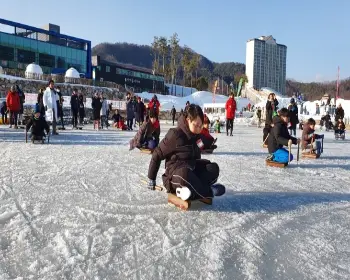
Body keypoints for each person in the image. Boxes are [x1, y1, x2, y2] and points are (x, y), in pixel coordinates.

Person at [147, 104, 225, 201]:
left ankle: (192, 190)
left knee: (213, 168)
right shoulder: (175, 135)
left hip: (193, 169)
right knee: (185, 174)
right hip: (175, 175)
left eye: (201, 126)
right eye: (196, 125)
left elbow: (202, 146)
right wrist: (151, 178)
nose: (199, 128)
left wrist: (210, 145)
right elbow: (157, 154)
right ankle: (209, 191)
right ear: (188, 120)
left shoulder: (197, 136)